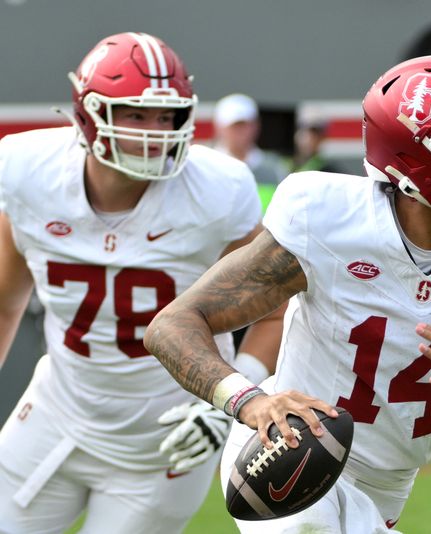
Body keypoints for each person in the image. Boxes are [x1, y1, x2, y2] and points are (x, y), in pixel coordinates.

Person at [144, 55, 431, 532]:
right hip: (293, 441)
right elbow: (172, 325)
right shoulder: (328, 220)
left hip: (391, 480)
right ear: (422, 164)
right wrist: (248, 401)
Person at [0, 32, 277, 533]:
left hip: (167, 438)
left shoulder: (217, 190)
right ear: (88, 114)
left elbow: (278, 312)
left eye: (166, 116)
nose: (156, 131)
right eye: (135, 114)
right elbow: (3, 304)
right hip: (55, 414)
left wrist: (231, 403)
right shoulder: (27, 172)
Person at [213, 93, 289, 213]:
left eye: (245, 125)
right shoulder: (208, 167)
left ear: (256, 126)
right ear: (220, 128)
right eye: (235, 126)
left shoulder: (275, 168)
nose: (241, 132)